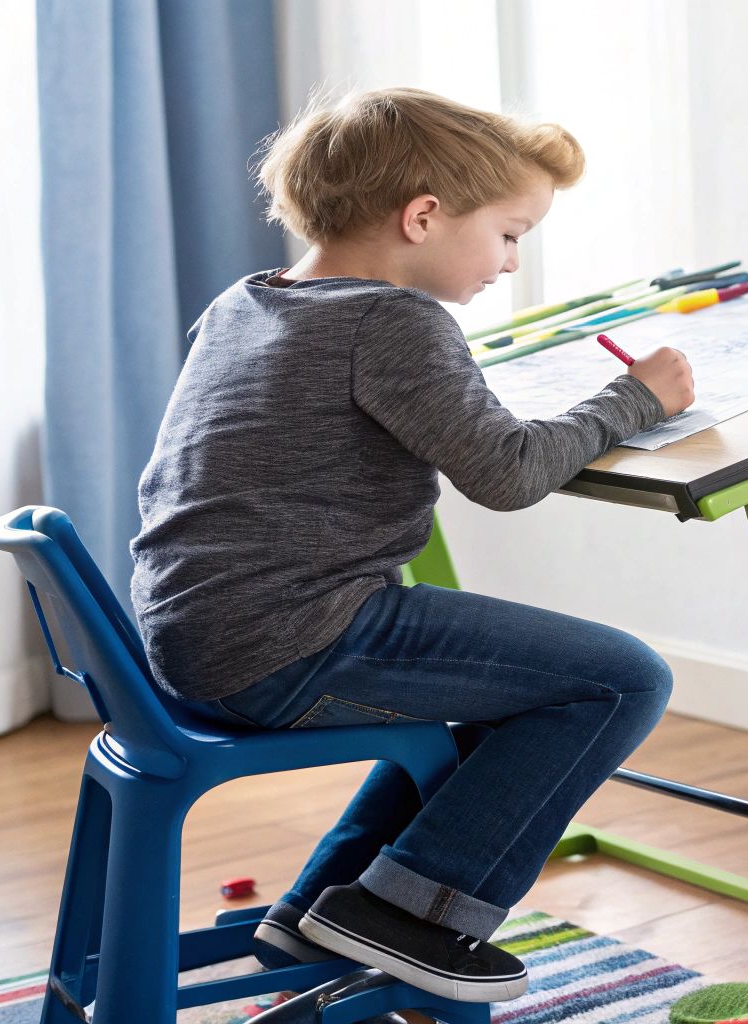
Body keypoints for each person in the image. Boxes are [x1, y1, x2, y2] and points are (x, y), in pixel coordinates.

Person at [128, 87, 695, 1003]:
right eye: (511, 234)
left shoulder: (246, 302)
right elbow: (508, 474)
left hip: (189, 642)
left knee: (520, 692)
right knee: (624, 678)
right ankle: (411, 915)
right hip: (293, 642)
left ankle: (326, 905)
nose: (512, 264)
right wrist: (640, 401)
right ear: (424, 216)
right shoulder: (392, 322)